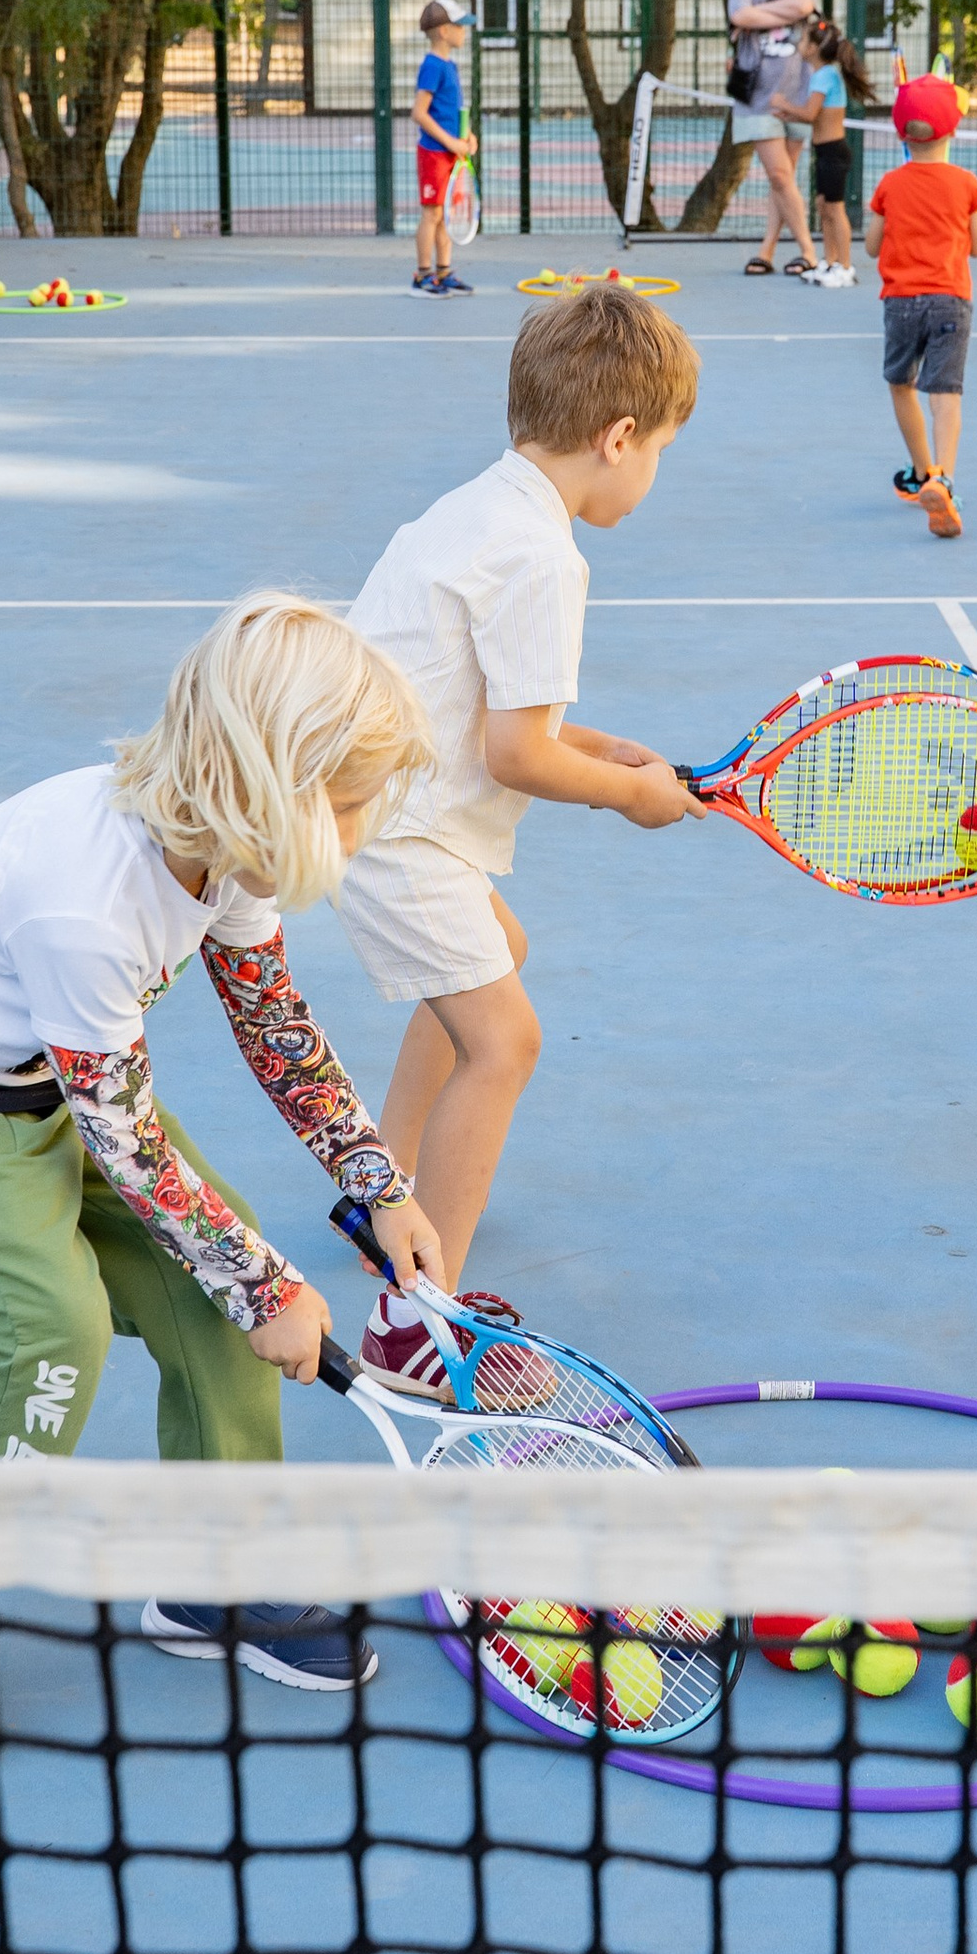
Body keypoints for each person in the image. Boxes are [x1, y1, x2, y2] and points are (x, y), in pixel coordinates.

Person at [0, 595, 450, 1759]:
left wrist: (379, 1182)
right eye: (354, 803)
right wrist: (270, 1292)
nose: (363, 828)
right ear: (272, 787)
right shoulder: (87, 904)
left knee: (223, 1284)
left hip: (56, 1071)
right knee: (51, 1329)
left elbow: (272, 1023)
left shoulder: (232, 842)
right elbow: (126, 1139)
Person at [335, 284, 704, 1348]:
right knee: (504, 1041)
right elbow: (514, 753)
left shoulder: (473, 509)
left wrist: (605, 746)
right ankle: (417, 1321)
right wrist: (634, 795)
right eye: (662, 448)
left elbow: (484, 707)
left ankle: (382, 1193)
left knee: (498, 948)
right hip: (406, 835)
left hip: (375, 806)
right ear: (619, 436)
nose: (653, 471)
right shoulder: (547, 557)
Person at [869, 72, 977, 535]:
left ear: (902, 132)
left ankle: (922, 473)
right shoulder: (966, 184)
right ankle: (945, 478)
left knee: (902, 385)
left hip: (901, 301)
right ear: (953, 130)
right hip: (951, 301)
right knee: (946, 396)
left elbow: (872, 247)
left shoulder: (890, 185)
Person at [725, 0, 819, 276]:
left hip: (797, 89)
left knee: (785, 179)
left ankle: (766, 250)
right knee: (779, 175)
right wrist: (781, 12)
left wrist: (757, 12)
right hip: (757, 95)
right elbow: (739, 16)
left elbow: (804, 5)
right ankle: (810, 252)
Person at [780, 12, 879, 286]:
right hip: (824, 151)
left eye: (802, 41)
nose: (799, 45)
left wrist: (783, 104)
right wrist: (789, 115)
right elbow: (817, 115)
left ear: (813, 48)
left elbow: (811, 113)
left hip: (834, 151)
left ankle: (845, 267)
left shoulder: (824, 76)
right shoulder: (823, 75)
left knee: (835, 210)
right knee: (823, 207)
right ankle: (830, 261)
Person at [410, 0, 474, 297]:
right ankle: (423, 276)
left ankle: (444, 272)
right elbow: (419, 112)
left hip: (450, 153)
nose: (465, 32)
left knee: (445, 213)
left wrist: (467, 136)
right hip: (434, 153)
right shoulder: (432, 66)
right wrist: (449, 142)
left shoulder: (450, 65)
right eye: (460, 27)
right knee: (432, 214)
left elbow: (453, 109)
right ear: (445, 31)